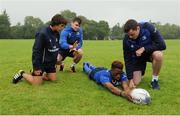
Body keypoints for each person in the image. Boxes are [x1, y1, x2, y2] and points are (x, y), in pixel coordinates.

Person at [12, 14, 67, 85]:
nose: (63, 28)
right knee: (37, 84)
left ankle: (37, 74)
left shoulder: (57, 34)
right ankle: (22, 73)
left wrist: (57, 60)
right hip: (41, 64)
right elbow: (36, 51)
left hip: (50, 63)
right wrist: (37, 67)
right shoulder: (42, 34)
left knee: (53, 80)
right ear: (55, 24)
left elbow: (56, 48)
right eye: (62, 25)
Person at [123, 19, 166, 90]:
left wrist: (144, 48)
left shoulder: (149, 28)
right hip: (137, 58)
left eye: (132, 34)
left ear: (138, 28)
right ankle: (140, 72)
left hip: (150, 54)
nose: (130, 37)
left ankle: (154, 80)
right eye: (128, 35)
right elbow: (127, 59)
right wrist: (130, 79)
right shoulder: (126, 39)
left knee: (159, 55)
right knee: (135, 82)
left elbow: (162, 45)